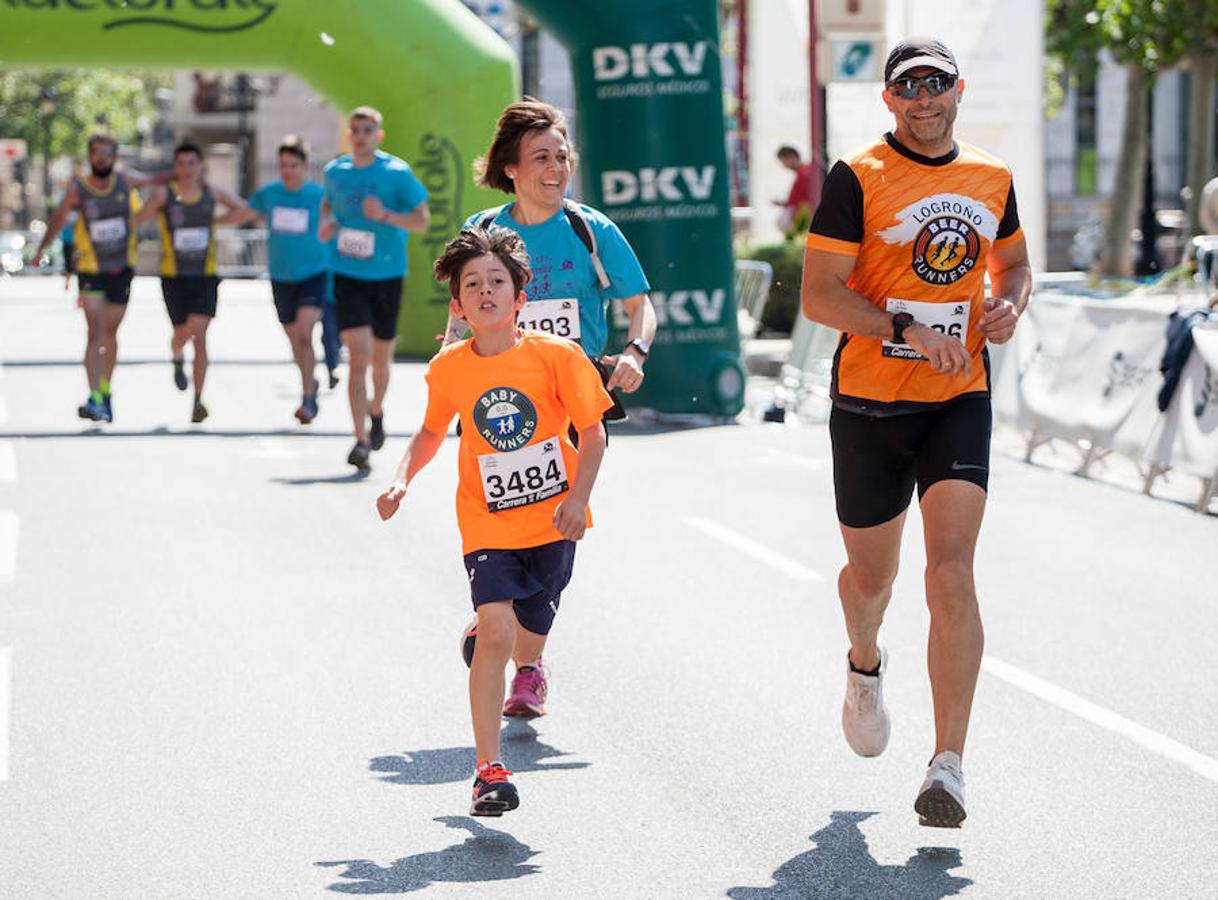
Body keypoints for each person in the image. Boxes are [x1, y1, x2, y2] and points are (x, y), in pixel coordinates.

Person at [800, 37, 1032, 828]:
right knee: (871, 582)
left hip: (956, 393)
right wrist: (900, 322)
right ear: (889, 100)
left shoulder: (992, 176)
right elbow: (820, 297)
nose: (924, 97)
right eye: (909, 87)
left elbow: (1015, 265)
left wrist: (1009, 304)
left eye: (936, 83)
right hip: (868, 403)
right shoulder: (856, 178)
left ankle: (949, 765)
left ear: (958, 89)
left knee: (953, 574)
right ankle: (864, 663)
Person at [376, 226, 611, 816]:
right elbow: (432, 430)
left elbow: (592, 431)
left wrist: (578, 500)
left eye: (496, 282)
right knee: (500, 635)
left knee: (529, 637)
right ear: (457, 306)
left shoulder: (557, 357)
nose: (485, 292)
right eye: (472, 285)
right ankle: (489, 770)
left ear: (519, 297)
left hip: (554, 521)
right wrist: (403, 477)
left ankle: (511, 648)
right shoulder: (450, 368)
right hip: (486, 524)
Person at [444, 99, 656, 405]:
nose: (556, 168)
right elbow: (464, 301)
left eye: (562, 157)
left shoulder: (592, 229)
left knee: (578, 455)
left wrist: (635, 354)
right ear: (511, 168)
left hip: (575, 389)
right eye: (542, 158)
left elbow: (641, 306)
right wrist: (449, 348)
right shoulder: (482, 227)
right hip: (499, 387)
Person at [319, 106, 430, 471]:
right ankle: (360, 439)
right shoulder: (335, 173)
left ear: (378, 135)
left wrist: (384, 215)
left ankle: (376, 410)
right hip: (347, 272)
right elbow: (327, 206)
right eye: (356, 130)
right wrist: (327, 225)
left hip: (386, 275)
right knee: (360, 359)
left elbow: (421, 220)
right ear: (349, 135)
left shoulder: (396, 173)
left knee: (382, 361)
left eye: (368, 130)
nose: (361, 135)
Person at [33, 133, 163, 423]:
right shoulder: (79, 188)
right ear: (89, 155)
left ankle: (106, 391)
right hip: (91, 268)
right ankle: (93, 398)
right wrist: (41, 248)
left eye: (107, 153)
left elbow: (141, 210)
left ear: (114, 156)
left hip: (121, 268)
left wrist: (157, 201)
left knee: (109, 334)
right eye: (96, 152)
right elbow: (59, 218)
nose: (101, 158)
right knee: (94, 332)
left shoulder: (125, 184)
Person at [134, 140, 249, 423]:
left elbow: (243, 210)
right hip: (174, 275)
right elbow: (138, 221)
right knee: (182, 333)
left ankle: (198, 400)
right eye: (181, 164)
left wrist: (215, 223)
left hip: (204, 274)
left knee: (199, 334)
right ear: (176, 167)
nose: (187, 169)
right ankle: (175, 353)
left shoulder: (211, 193)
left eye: (192, 163)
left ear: (201, 166)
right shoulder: (164, 194)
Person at [236, 135, 331, 424]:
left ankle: (308, 399)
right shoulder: (270, 194)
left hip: (314, 273)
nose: (288, 170)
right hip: (281, 276)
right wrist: (205, 217)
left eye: (293, 164)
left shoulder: (318, 196)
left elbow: (339, 222)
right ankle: (310, 379)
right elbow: (244, 212)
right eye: (283, 165)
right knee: (294, 339)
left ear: (304, 166)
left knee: (304, 333)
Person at [774, 145, 816, 237]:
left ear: (791, 157)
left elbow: (804, 199)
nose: (783, 165)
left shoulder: (804, 173)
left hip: (806, 215)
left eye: (784, 161)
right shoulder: (803, 173)